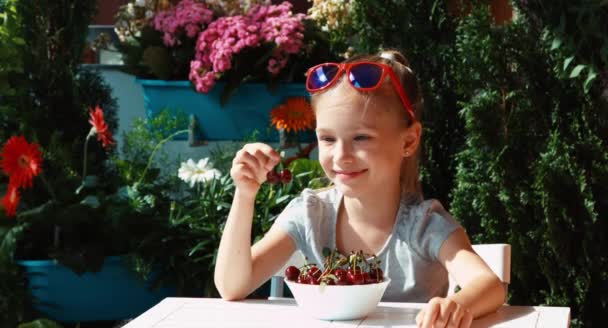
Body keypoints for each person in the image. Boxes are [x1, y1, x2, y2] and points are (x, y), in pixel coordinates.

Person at [214, 50, 505, 328]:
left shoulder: (424, 226)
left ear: (408, 141)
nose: (341, 156)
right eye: (328, 138)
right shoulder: (311, 214)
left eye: (361, 138)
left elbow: (489, 285)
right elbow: (232, 286)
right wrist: (245, 194)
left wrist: (457, 305)